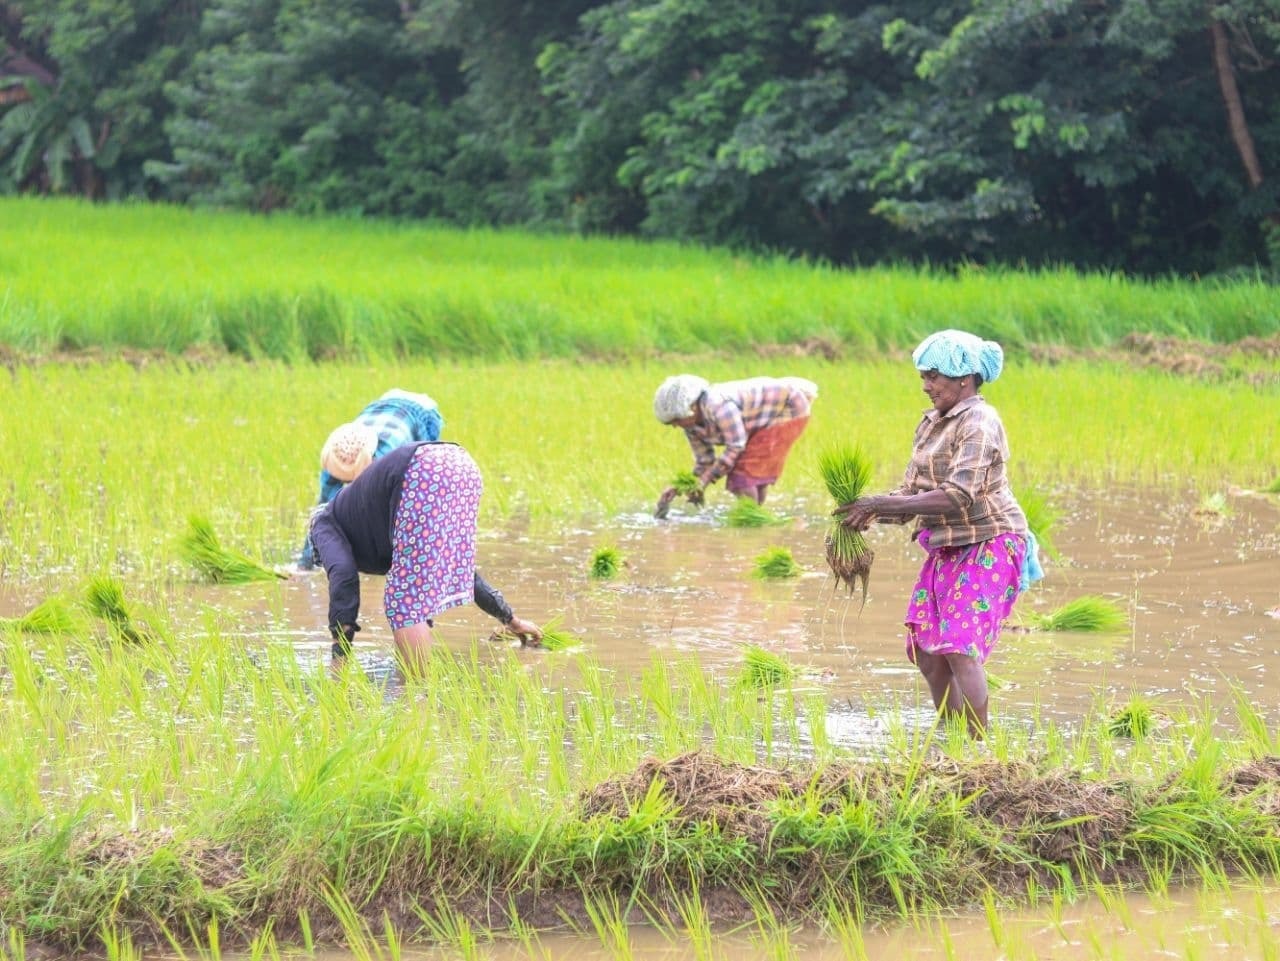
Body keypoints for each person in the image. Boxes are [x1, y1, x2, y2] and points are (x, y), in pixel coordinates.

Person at [835, 330, 1037, 738]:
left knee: (960, 648)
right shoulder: (930, 424)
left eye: (933, 377)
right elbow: (911, 494)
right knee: (928, 654)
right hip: (946, 548)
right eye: (923, 377)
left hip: (990, 543)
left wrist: (880, 504)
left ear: (964, 377)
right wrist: (866, 513)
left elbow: (957, 496)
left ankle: (980, 750)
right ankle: (950, 736)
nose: (926, 386)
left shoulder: (981, 422)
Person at [309, 440, 542, 673]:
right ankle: (419, 688)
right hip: (462, 465)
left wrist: (340, 659)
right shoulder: (370, 520)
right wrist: (511, 621)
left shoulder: (322, 522)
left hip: (422, 471)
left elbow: (343, 575)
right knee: (421, 589)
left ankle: (416, 695)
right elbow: (466, 574)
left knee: (403, 600)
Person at [298, 389, 444, 569]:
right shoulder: (334, 460)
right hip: (383, 405)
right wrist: (305, 565)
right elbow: (321, 514)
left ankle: (425, 557)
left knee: (418, 496)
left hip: (423, 413)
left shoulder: (387, 461)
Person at [653, 374, 818, 514]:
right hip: (761, 421)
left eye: (676, 419)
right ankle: (755, 516)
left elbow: (736, 446)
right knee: (749, 473)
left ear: (691, 407)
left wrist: (703, 483)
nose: (675, 425)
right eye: (671, 423)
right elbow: (704, 462)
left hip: (788, 409)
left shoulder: (718, 405)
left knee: (741, 474)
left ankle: (751, 521)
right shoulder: (690, 427)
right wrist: (679, 487)